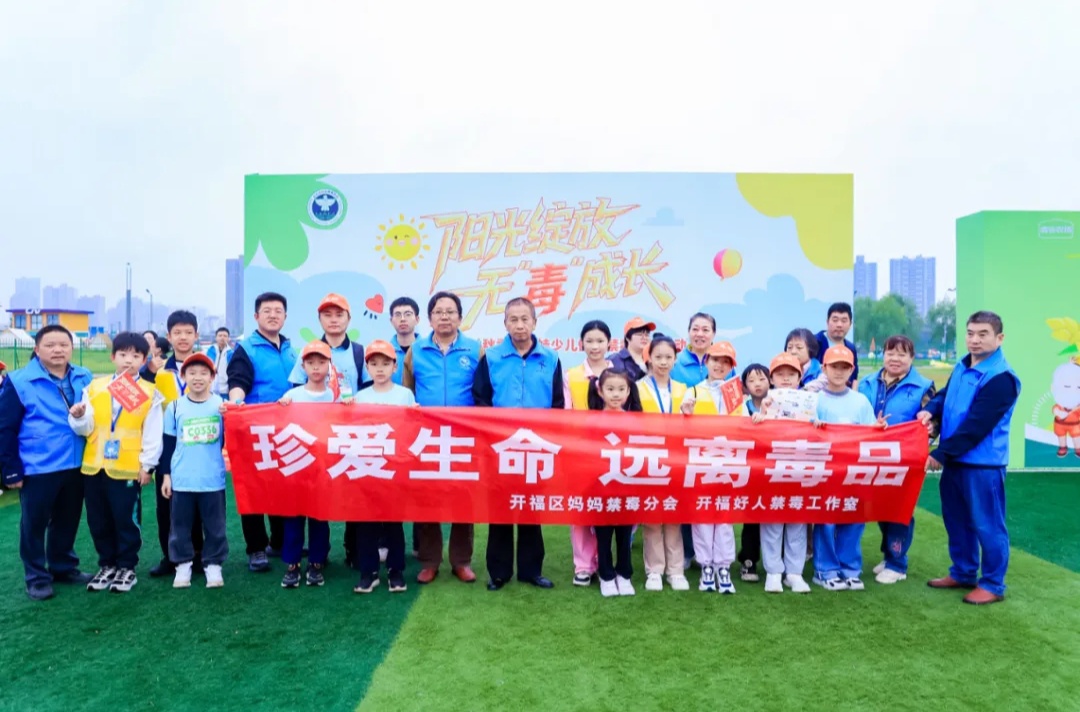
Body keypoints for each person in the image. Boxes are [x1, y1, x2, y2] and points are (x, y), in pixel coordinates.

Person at [919, 311, 1020, 606]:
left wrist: (940, 453)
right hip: (956, 461)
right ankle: (963, 571)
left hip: (983, 465)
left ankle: (992, 583)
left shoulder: (1001, 378)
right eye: (971, 333)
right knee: (956, 520)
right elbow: (945, 395)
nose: (975, 340)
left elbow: (977, 425)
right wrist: (931, 411)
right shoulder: (963, 366)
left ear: (999, 338)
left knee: (988, 525)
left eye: (983, 334)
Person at [473, 297, 563, 591]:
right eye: (513, 319)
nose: (520, 325)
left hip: (536, 446)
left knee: (530, 509)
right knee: (500, 509)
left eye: (525, 319)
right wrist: (494, 433)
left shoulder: (551, 358)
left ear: (535, 322)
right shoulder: (492, 357)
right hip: (501, 446)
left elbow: (558, 403)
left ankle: (531, 570)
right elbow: (481, 398)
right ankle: (499, 572)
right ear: (505, 323)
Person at [0, 325, 95, 601]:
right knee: (34, 524)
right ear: (37, 349)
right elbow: (5, 428)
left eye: (63, 345)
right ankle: (36, 577)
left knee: (67, 520)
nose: (57, 350)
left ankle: (63, 567)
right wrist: (10, 470)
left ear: (72, 348)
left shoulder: (84, 376)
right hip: (38, 466)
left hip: (76, 463)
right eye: (50, 345)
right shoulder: (19, 381)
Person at [68, 331, 164, 594]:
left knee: (125, 519)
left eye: (136, 356)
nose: (128, 360)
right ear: (112, 357)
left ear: (144, 360)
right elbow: (85, 427)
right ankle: (107, 564)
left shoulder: (149, 393)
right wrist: (78, 416)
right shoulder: (94, 387)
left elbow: (153, 433)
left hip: (127, 468)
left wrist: (147, 465)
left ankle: (126, 566)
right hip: (94, 465)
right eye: (123, 354)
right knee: (98, 520)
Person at [402, 291, 483, 585]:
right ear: (430, 318)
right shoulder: (416, 351)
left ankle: (461, 561)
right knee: (427, 499)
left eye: (450, 311)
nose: (445, 316)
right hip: (427, 437)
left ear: (460, 317)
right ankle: (429, 561)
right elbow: (408, 393)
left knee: (464, 499)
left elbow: (482, 392)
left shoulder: (475, 350)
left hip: (464, 437)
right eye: (438, 312)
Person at [287, 293, 367, 567]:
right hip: (314, 439)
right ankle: (316, 555)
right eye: (327, 315)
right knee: (313, 495)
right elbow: (295, 392)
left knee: (354, 493)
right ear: (319, 319)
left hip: (350, 435)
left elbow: (367, 392)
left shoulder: (358, 352)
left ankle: (354, 549)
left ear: (348, 319)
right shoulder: (309, 351)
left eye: (339, 314)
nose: (333, 320)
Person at [227, 291, 297, 572]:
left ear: (285, 317)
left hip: (287, 431)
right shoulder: (246, 349)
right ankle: (256, 548)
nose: (273, 315)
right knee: (254, 490)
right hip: (255, 431)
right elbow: (238, 382)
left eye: (278, 311)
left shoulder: (291, 350)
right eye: (267, 311)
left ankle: (279, 542)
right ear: (256, 316)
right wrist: (236, 404)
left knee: (284, 486)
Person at [859, 335, 935, 584]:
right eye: (890, 353)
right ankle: (888, 554)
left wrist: (930, 433)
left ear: (912, 358)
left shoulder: (924, 387)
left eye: (902, 354)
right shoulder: (867, 382)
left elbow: (932, 421)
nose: (895, 358)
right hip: (870, 456)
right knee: (880, 507)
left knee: (900, 510)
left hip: (905, 459)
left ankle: (897, 564)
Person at [811, 345, 883, 592]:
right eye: (834, 366)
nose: (839, 372)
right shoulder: (815, 399)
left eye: (845, 367)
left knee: (853, 518)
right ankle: (825, 570)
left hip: (854, 471)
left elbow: (871, 434)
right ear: (824, 368)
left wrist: (879, 429)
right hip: (825, 472)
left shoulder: (860, 401)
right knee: (826, 520)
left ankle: (850, 569)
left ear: (852, 370)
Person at [352, 340, 417, 594]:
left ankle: (395, 570)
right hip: (366, 466)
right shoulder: (360, 397)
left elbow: (412, 428)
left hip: (395, 467)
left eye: (385, 363)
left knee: (393, 522)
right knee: (366, 522)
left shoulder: (405, 395)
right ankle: (368, 572)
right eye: (374, 363)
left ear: (395, 366)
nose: (380, 369)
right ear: (367, 367)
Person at [159, 352, 228, 589]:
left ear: (212, 377)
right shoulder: (175, 407)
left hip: (212, 478)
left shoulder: (221, 406)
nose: (197, 378)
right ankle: (183, 564)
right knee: (180, 526)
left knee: (215, 526)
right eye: (192, 373)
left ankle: (213, 564)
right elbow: (168, 444)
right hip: (182, 479)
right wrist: (166, 475)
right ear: (184, 376)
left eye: (203, 373)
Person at [143, 310, 203, 579]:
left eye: (188, 332)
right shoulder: (157, 371)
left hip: (198, 445)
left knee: (197, 503)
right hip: (166, 446)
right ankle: (170, 556)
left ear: (196, 335)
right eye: (177, 332)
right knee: (165, 503)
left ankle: (198, 554)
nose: (183, 337)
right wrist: (148, 372)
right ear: (168, 336)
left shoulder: (204, 367)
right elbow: (141, 396)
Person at [679, 341, 742, 594]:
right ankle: (706, 565)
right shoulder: (693, 391)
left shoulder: (735, 393)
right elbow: (681, 428)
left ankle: (723, 566)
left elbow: (745, 426)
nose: (720, 365)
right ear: (706, 362)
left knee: (724, 518)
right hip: (702, 465)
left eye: (726, 362)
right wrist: (685, 414)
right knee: (703, 516)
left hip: (728, 464)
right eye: (716, 360)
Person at [277, 341, 340, 588]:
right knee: (293, 517)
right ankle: (292, 564)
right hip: (296, 466)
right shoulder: (292, 396)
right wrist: (281, 407)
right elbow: (278, 425)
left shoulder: (335, 396)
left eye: (321, 362)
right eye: (310, 363)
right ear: (302, 366)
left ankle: (316, 562)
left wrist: (348, 407)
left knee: (319, 517)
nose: (316, 367)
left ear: (329, 365)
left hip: (323, 468)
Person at [751, 352, 813, 594]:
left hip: (800, 472)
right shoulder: (766, 403)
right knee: (772, 522)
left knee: (797, 522)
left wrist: (817, 424)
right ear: (772, 378)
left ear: (799, 377)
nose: (786, 379)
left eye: (791, 374)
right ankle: (774, 572)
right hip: (773, 473)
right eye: (780, 374)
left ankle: (794, 573)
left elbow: (819, 433)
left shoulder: (809, 402)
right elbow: (755, 435)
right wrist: (761, 417)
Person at [635, 333, 689, 592]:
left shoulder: (683, 390)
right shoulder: (637, 387)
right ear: (649, 358)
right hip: (648, 459)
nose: (663, 362)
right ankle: (655, 570)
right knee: (653, 516)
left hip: (676, 460)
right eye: (658, 357)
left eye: (668, 357)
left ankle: (676, 570)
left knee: (673, 514)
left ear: (675, 359)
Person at [562, 320, 611, 586]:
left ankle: (606, 561)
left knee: (611, 509)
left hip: (613, 453)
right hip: (581, 452)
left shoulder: (620, 373)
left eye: (600, 341)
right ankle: (583, 565)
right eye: (590, 341)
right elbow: (567, 414)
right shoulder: (571, 375)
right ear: (581, 343)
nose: (595, 346)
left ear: (609, 343)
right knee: (581, 510)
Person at [587, 368, 641, 597]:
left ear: (628, 392)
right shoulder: (592, 421)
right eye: (610, 389)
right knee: (603, 534)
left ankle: (624, 574)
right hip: (601, 487)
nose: (616, 394)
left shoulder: (635, 421)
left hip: (627, 487)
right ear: (600, 391)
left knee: (624, 534)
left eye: (621, 389)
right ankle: (606, 575)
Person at [737, 363, 771, 583]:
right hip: (749, 471)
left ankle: (776, 563)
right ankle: (748, 561)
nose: (757, 384)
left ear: (770, 381)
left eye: (761, 379)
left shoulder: (781, 405)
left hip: (774, 470)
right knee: (751, 518)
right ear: (745, 387)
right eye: (751, 380)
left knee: (775, 517)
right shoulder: (741, 408)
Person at [815, 302, 859, 384]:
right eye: (835, 320)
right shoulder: (814, 343)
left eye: (844, 321)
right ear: (827, 322)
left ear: (850, 324)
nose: (839, 325)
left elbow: (854, 379)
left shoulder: (851, 348)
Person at [671, 312, 716, 388]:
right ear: (689, 332)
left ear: (714, 333)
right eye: (695, 329)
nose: (699, 334)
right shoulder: (674, 362)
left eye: (705, 330)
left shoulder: (725, 363)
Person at [609, 317, 653, 383]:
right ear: (627, 338)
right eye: (639, 334)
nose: (644, 338)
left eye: (647, 335)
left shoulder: (652, 360)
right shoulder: (615, 360)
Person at [388, 297, 419, 385]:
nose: (402, 319)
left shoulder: (427, 351)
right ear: (391, 321)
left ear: (417, 319)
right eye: (397, 315)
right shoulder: (385, 352)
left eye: (408, 314)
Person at [206, 327, 234, 397]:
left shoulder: (231, 353)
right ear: (216, 338)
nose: (222, 338)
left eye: (225, 336)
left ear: (228, 338)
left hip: (225, 389)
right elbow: (208, 362)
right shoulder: (211, 350)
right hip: (210, 387)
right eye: (220, 335)